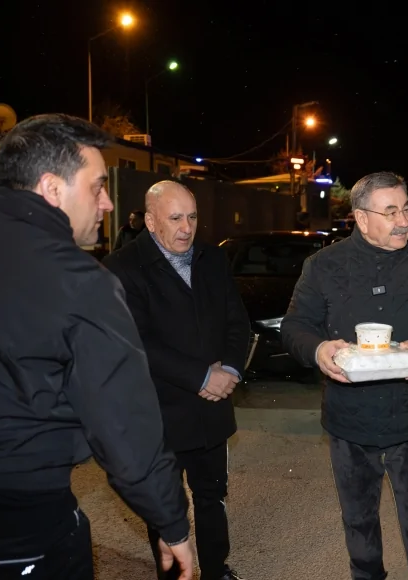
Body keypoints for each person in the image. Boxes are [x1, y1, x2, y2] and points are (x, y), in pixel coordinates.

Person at [0, 114, 194, 579]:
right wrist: (172, 523)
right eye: (97, 187)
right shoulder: (80, 281)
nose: (108, 204)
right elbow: (124, 427)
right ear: (53, 189)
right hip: (20, 532)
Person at [281, 171, 408, 580]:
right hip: (349, 420)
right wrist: (319, 349)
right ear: (362, 218)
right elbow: (294, 326)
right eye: (390, 212)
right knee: (358, 519)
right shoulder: (324, 265)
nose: (403, 220)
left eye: (406, 209)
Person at [102, 180, 251, 580]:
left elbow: (238, 323)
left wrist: (230, 372)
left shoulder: (212, 259)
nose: (186, 227)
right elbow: (133, 341)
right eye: (175, 218)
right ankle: (175, 575)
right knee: (164, 506)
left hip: (212, 407)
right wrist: (202, 375)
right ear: (150, 221)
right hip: (158, 413)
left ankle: (216, 569)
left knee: (213, 495)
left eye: (192, 216)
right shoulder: (121, 267)